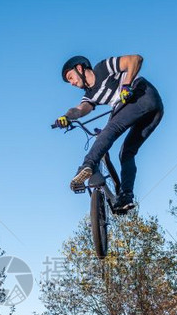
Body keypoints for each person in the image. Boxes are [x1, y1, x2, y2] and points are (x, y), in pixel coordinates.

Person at [55, 54, 164, 213]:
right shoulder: (90, 95)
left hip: (142, 94)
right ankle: (125, 197)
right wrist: (66, 117)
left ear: (79, 68)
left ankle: (88, 165)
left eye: (70, 77)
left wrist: (126, 85)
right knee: (126, 153)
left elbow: (135, 59)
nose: (71, 83)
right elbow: (80, 109)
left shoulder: (103, 68)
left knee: (111, 129)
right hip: (153, 111)